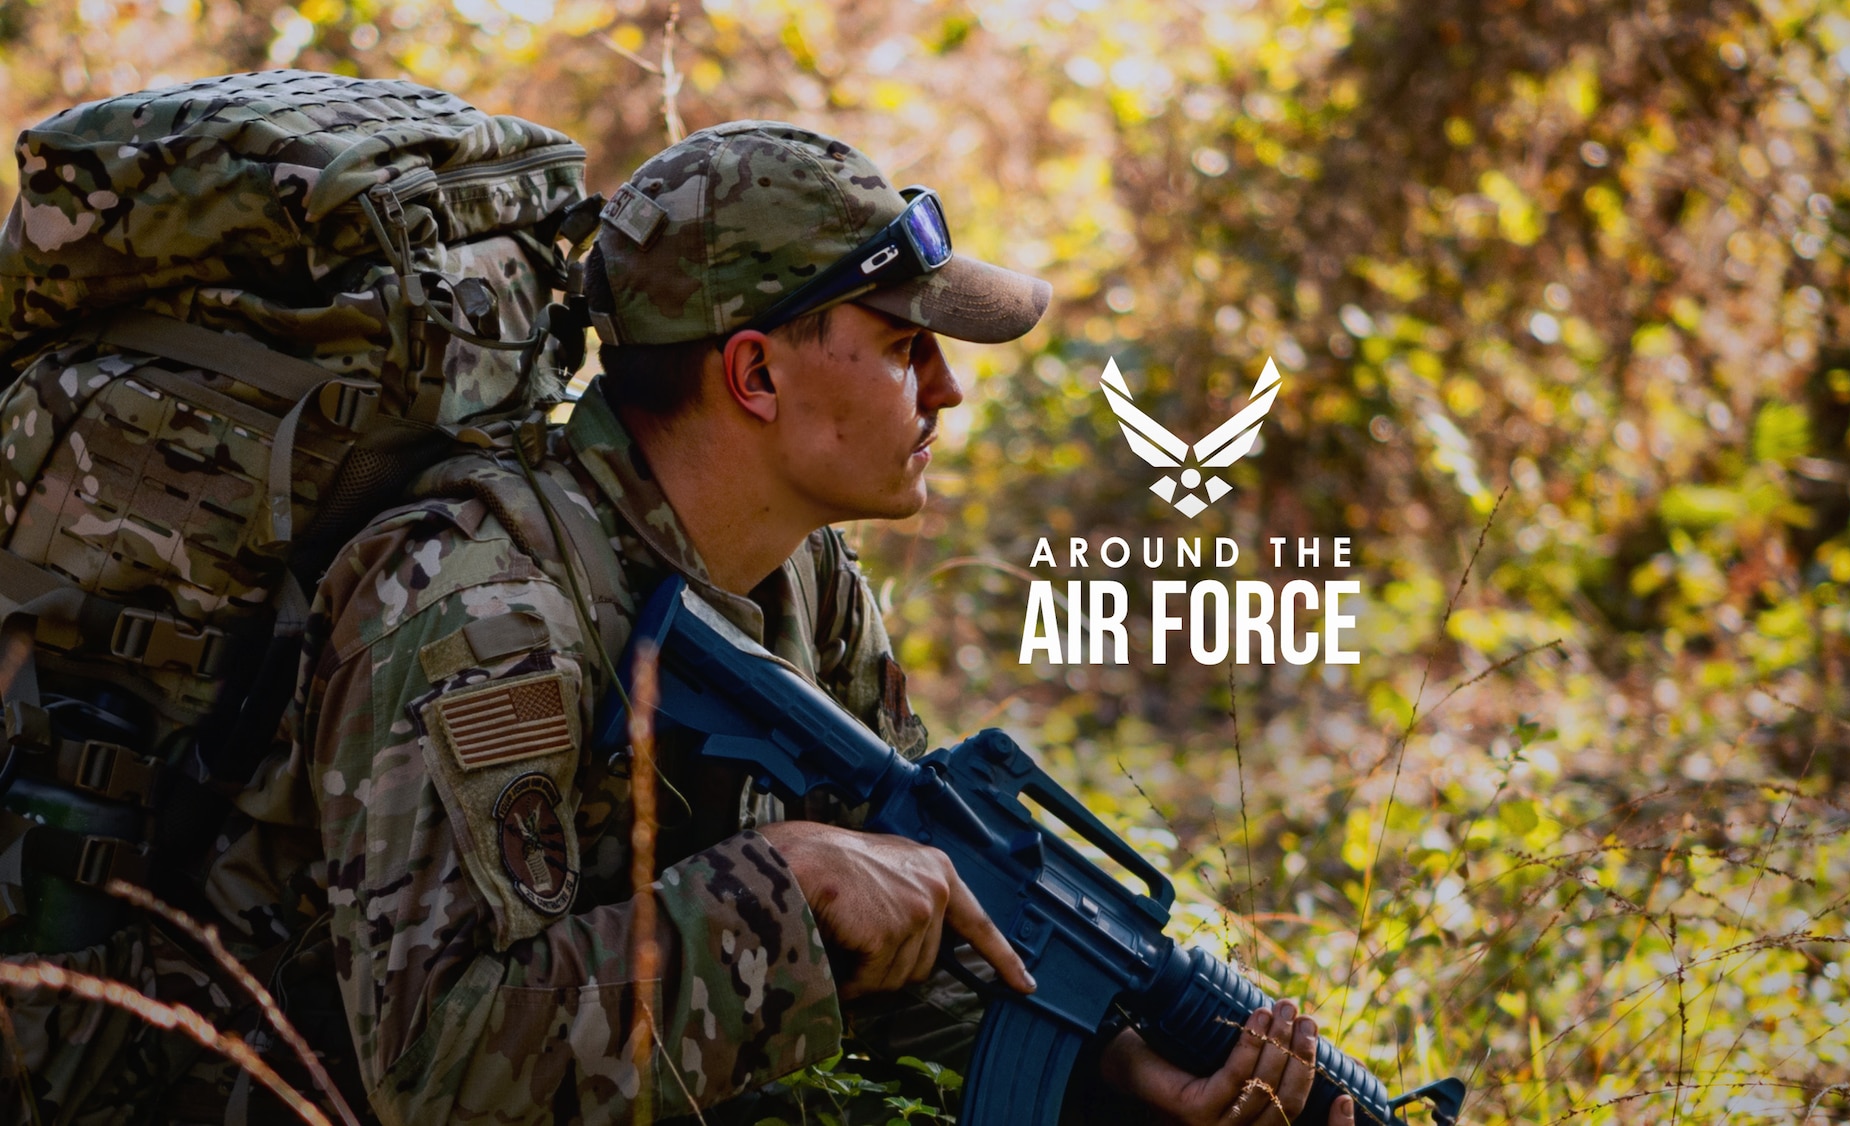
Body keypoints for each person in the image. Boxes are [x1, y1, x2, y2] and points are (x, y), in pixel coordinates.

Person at [198, 120, 1354, 1126]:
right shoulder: (476, 606)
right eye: (903, 347)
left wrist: (1106, 1073)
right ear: (753, 375)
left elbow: (901, 932)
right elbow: (435, 1070)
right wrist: (780, 889)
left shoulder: (802, 572)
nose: (946, 389)